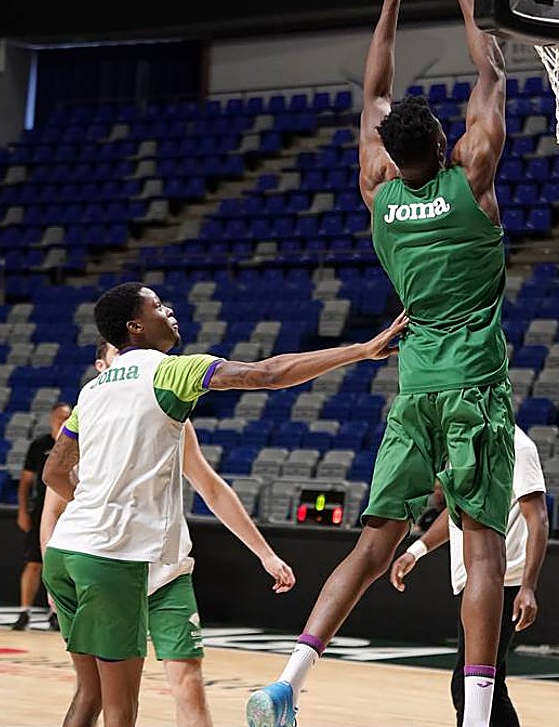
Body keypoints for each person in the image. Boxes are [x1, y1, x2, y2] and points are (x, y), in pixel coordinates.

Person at [246, 0, 514, 727]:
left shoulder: (378, 193)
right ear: (447, 140)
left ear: (393, 157)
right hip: (472, 386)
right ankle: (475, 718)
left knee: (371, 546)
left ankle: (288, 682)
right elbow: (492, 71)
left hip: (415, 387)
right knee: (481, 548)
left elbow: (372, 97)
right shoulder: (473, 177)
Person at [42, 282, 405, 727]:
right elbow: (268, 374)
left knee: (89, 696)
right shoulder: (170, 372)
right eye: (158, 306)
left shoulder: (92, 391)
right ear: (135, 326)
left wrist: (97, 500)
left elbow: (54, 472)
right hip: (112, 558)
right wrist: (362, 350)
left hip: (68, 552)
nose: (169, 310)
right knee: (120, 712)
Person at [41, 338, 295, 727]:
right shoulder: (90, 412)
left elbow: (211, 487)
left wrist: (265, 553)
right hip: (108, 561)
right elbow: (54, 508)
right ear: (103, 367)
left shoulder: (169, 410)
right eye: (119, 354)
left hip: (164, 571)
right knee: (98, 695)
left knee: (188, 681)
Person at [389, 426, 549, 727]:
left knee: (472, 684)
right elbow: (456, 510)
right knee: (485, 684)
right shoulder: (464, 443)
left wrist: (528, 586)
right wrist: (416, 550)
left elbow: (538, 519)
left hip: (503, 581)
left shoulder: (519, 446)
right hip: (473, 581)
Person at [13, 400, 71, 630]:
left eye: (67, 417)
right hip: (41, 511)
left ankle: (56, 612)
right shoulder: (39, 445)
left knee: (63, 564)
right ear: (51, 419)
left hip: (69, 510)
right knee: (34, 562)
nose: (63, 421)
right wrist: (22, 511)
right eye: (60, 417)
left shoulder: (76, 442)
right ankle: (24, 611)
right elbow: (25, 482)